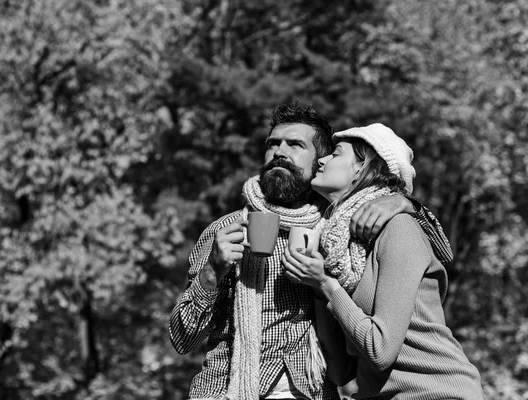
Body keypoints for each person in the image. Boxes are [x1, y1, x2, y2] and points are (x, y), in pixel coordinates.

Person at [169, 103, 454, 400]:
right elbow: (182, 339)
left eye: (295, 145)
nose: (280, 151)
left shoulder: (339, 229)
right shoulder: (226, 231)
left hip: (312, 392)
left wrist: (406, 203)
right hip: (225, 391)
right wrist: (212, 272)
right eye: (273, 144)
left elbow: (435, 254)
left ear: (321, 160)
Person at [282, 123, 484, 399]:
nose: (322, 159)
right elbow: (341, 373)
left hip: (437, 391)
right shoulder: (340, 247)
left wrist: (326, 284)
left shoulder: (397, 227)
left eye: (336, 153)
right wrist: (318, 289)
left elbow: (380, 351)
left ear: (363, 168)